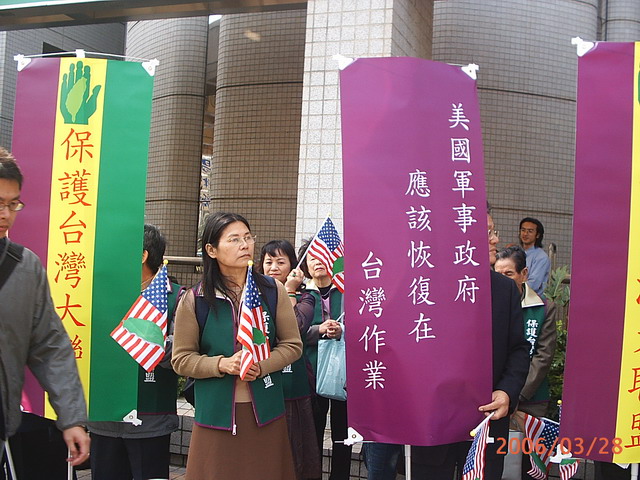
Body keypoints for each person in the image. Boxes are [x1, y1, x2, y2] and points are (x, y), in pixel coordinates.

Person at [171, 212, 302, 480]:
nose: (245, 245)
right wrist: (221, 364)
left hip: (265, 412)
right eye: (234, 239)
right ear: (211, 250)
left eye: (248, 237)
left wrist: (262, 366)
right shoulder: (195, 299)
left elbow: (292, 345)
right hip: (216, 416)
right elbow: (181, 359)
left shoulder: (272, 290)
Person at [410, 209, 530, 480]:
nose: (495, 240)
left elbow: (518, 349)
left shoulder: (504, 289)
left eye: (494, 231)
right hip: (433, 427)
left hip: (487, 423)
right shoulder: (423, 286)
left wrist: (507, 392)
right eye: (488, 232)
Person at [0, 149, 89, 467]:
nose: (6, 214)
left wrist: (71, 418)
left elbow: (50, 347)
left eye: (13, 204)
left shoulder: (24, 267)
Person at [88, 224, 182, 480]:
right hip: (104, 417)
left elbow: (182, 355)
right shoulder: (100, 295)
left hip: (151, 419)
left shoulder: (176, 297)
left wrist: (143, 341)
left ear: (142, 255)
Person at [259, 239, 322, 480]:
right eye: (268, 262)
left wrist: (289, 290)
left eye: (280, 262)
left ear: (293, 266)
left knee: (295, 449)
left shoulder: (307, 297)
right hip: (262, 383)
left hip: (295, 385)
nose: (273, 267)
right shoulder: (253, 296)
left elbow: (294, 326)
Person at [495, 245, 558, 480]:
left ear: (524, 274)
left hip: (530, 400)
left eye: (509, 274)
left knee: (529, 465)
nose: (503, 280)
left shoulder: (544, 307)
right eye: (498, 274)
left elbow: (543, 356)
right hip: (495, 398)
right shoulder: (489, 305)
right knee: (497, 462)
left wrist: (515, 394)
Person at [298, 238, 349, 480]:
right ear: (305, 265)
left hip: (343, 375)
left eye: (322, 257)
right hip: (311, 372)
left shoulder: (347, 291)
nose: (318, 261)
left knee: (343, 434)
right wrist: (318, 330)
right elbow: (292, 332)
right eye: (312, 258)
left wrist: (342, 331)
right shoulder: (301, 295)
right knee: (313, 433)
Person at [518, 217, 551, 296]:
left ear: (538, 235)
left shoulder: (541, 257)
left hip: (532, 300)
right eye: (523, 230)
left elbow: (533, 284)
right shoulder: (517, 252)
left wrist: (512, 289)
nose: (525, 234)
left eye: (530, 231)